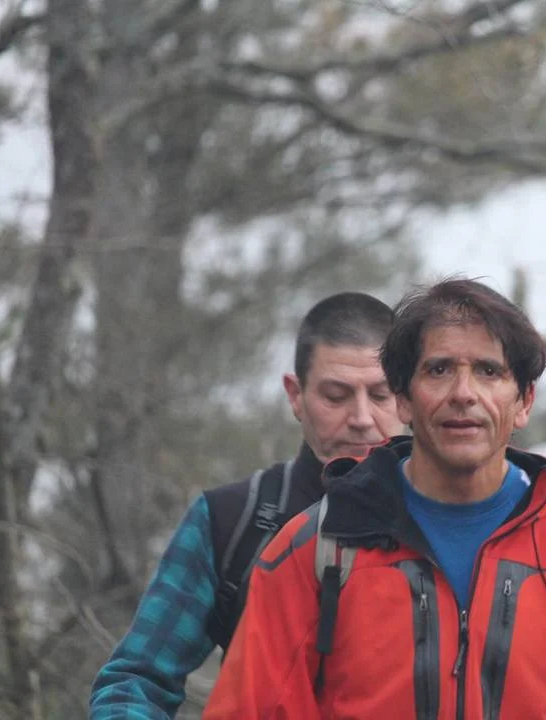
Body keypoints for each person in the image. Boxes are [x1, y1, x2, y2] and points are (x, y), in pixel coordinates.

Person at [202, 278, 546, 719]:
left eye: (488, 371)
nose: (463, 393)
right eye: (438, 369)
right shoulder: (316, 548)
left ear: (523, 401)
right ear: (402, 398)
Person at [89, 292, 402, 718]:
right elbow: (136, 681)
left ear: (408, 397)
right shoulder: (230, 520)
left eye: (381, 395)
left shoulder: (452, 518)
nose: (362, 418)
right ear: (295, 395)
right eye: (336, 395)